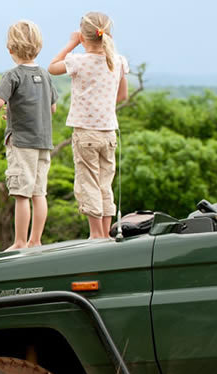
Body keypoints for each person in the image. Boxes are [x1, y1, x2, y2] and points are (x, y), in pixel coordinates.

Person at [48, 12, 129, 239]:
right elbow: (122, 95)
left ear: (84, 37)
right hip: (109, 132)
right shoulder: (119, 61)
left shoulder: (78, 60)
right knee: (105, 183)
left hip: (85, 132)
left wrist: (71, 43)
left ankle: (95, 235)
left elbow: (52, 67)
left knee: (88, 182)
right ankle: (105, 233)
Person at [0, 20, 58, 250]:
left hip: (22, 143)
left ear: (10, 49)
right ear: (38, 47)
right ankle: (36, 240)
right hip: (44, 142)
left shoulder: (12, 75)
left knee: (21, 193)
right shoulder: (45, 74)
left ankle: (20, 242)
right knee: (38, 193)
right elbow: (52, 107)